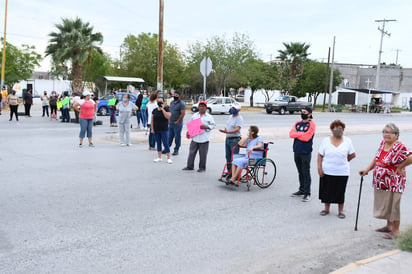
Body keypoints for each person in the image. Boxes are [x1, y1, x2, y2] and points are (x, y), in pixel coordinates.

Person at [359, 123, 412, 239]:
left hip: (394, 181)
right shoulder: (383, 143)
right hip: (382, 181)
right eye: (384, 132)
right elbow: (377, 158)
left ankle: (396, 230)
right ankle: (389, 226)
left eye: (389, 132)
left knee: (394, 205)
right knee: (386, 204)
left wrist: (400, 167)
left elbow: (410, 157)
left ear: (396, 135)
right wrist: (367, 170)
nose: (386, 135)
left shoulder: (400, 146)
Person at [317, 120, 356, 218]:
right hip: (327, 170)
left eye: (340, 128)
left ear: (343, 129)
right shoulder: (325, 140)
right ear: (331, 129)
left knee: (340, 191)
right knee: (327, 190)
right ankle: (326, 209)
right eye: (336, 127)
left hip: (342, 172)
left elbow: (352, 154)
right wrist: (319, 168)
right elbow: (320, 155)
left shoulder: (347, 140)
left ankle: (341, 211)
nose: (338, 129)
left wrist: (345, 160)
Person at [289, 106, 316, 202]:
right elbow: (291, 134)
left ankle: (307, 193)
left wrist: (298, 134)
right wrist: (301, 134)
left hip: (306, 152)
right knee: (300, 171)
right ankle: (301, 189)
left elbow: (307, 138)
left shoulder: (311, 124)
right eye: (301, 112)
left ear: (309, 114)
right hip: (297, 150)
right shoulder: (297, 123)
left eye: (304, 112)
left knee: (306, 172)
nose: (302, 113)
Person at [182, 101, 216, 172]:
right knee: (191, 152)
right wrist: (188, 132)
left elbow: (213, 125)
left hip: (204, 138)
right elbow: (191, 125)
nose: (201, 107)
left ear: (206, 108)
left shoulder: (209, 117)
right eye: (200, 106)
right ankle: (190, 166)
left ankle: (202, 167)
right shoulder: (195, 115)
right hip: (195, 137)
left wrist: (206, 126)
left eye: (203, 106)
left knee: (203, 154)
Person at [219, 105, 243, 176]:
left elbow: (237, 129)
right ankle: (229, 171)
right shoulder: (230, 117)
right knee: (228, 156)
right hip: (228, 138)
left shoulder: (239, 118)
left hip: (234, 139)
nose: (232, 109)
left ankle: (234, 174)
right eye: (232, 108)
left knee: (234, 157)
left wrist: (227, 132)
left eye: (234, 109)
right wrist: (226, 131)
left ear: (238, 110)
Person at [151, 97, 172, 164]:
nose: (160, 103)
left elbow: (168, 117)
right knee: (158, 143)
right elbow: (152, 120)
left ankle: (168, 157)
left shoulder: (166, 109)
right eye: (158, 101)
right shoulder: (154, 110)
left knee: (165, 143)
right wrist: (152, 128)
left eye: (161, 101)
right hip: (156, 129)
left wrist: (162, 109)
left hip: (164, 129)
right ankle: (159, 157)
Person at [168, 91, 186, 155]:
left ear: (179, 96)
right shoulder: (172, 103)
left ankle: (176, 149)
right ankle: (167, 148)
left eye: (176, 95)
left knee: (177, 136)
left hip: (177, 123)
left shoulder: (181, 104)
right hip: (171, 122)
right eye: (174, 94)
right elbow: (170, 111)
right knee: (169, 136)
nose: (175, 96)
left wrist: (178, 121)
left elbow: (183, 113)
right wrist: (168, 119)